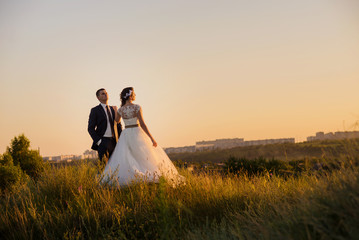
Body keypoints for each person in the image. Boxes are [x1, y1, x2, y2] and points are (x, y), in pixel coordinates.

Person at [101, 87, 184, 186]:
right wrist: (152, 138)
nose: (135, 95)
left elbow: (117, 121)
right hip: (137, 132)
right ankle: (146, 177)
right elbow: (143, 124)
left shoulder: (120, 110)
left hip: (126, 133)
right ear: (131, 96)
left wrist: (116, 111)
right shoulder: (137, 107)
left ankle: (134, 177)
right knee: (144, 156)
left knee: (128, 156)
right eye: (134, 94)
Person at [88, 88, 122, 163]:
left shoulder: (114, 109)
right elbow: (90, 128)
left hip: (114, 142)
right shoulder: (95, 110)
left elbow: (118, 125)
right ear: (98, 97)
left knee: (116, 166)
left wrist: (121, 139)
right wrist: (99, 142)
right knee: (104, 167)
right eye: (102, 93)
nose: (105, 94)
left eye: (106, 93)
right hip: (103, 142)